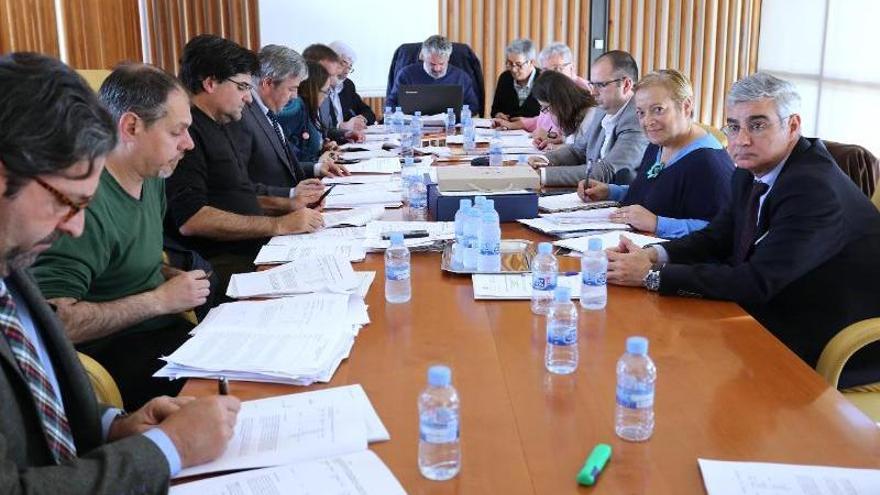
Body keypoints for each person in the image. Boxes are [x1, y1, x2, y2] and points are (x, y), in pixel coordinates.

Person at [0, 51, 238, 493]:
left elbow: (39, 384)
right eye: (66, 202)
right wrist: (168, 449)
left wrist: (114, 425)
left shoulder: (11, 258)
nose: (75, 225)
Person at [605, 72, 880, 388]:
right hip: (776, 307)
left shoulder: (814, 190)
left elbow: (756, 281)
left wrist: (652, 275)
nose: (741, 139)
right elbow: (717, 237)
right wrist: (654, 254)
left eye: (758, 125)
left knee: (678, 371)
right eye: (734, 126)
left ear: (792, 126)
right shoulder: (749, 170)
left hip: (831, 336)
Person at [30, 64, 207, 410]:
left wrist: (174, 279)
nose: (189, 143)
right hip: (118, 351)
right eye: (177, 132)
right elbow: (57, 323)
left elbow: (138, 258)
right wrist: (159, 301)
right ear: (131, 126)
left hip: (166, 331)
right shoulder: (83, 205)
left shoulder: (154, 173)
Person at [165, 34, 324, 293]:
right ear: (210, 83)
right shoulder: (188, 134)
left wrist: (288, 204)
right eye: (242, 87)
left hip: (256, 246)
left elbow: (235, 192)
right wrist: (280, 225)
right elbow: (192, 218)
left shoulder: (222, 123)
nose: (249, 99)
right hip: (228, 262)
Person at [576, 69, 734, 238]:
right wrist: (611, 192)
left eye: (658, 110)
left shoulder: (709, 163)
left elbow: (722, 232)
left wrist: (657, 223)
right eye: (641, 113)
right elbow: (657, 194)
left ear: (686, 106)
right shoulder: (658, 144)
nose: (647, 121)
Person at [241, 44, 341, 203]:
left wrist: (316, 168)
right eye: (291, 89)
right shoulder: (243, 116)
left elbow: (283, 164)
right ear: (268, 83)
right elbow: (242, 185)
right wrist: (292, 195)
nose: (295, 96)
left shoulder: (266, 112)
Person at [539, 50, 648, 186]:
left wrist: (542, 175)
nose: (593, 92)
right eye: (592, 84)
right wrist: (543, 160)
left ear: (626, 85)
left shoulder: (638, 119)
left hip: (621, 202)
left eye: (601, 85)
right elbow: (578, 151)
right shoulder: (601, 110)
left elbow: (607, 172)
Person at [493, 42, 589, 145]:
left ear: (571, 68)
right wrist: (520, 123)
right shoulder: (551, 88)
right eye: (546, 71)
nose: (551, 76)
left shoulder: (582, 90)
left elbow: (580, 140)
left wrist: (550, 135)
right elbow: (544, 119)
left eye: (557, 69)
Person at [386, 35, 480, 111]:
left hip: (450, 129)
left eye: (442, 64)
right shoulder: (406, 75)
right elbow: (390, 104)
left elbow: (473, 106)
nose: (437, 68)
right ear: (422, 57)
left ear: (448, 58)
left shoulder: (461, 77)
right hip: (415, 128)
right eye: (432, 64)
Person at [529, 70, 598, 166]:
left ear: (560, 103)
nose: (547, 113)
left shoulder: (590, 117)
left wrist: (556, 148)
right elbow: (573, 145)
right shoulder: (575, 114)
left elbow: (582, 155)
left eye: (547, 108)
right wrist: (557, 142)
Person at [278, 62, 340, 165]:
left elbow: (305, 148)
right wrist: (318, 161)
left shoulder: (308, 107)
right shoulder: (294, 109)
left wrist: (322, 149)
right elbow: (289, 157)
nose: (326, 96)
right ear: (313, 90)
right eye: (325, 91)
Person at [301, 43, 365, 141]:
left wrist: (346, 134)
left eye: (349, 66)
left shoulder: (326, 94)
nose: (344, 71)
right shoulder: (298, 102)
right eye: (342, 64)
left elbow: (327, 131)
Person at [490, 38, 541, 120]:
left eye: (518, 64)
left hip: (536, 131)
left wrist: (527, 123)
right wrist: (498, 115)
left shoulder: (545, 81)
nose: (513, 69)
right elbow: (495, 110)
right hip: (507, 131)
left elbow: (551, 119)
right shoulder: (505, 78)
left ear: (532, 62)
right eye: (510, 63)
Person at [329, 40, 377, 125]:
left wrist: (362, 119)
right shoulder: (318, 87)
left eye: (350, 67)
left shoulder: (347, 85)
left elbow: (368, 113)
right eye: (344, 64)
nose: (346, 71)